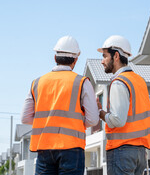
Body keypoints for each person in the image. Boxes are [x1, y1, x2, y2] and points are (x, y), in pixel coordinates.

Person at [21, 35, 99, 175]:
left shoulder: (37, 83)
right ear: (75, 60)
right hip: (72, 148)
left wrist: (48, 123)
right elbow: (93, 119)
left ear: (55, 58)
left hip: (44, 147)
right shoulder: (82, 82)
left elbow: (25, 118)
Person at [96, 35, 150, 175]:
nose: (102, 61)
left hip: (122, 151)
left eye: (105, 56)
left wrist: (100, 112)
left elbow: (118, 120)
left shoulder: (119, 82)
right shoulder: (139, 81)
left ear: (116, 56)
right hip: (140, 152)